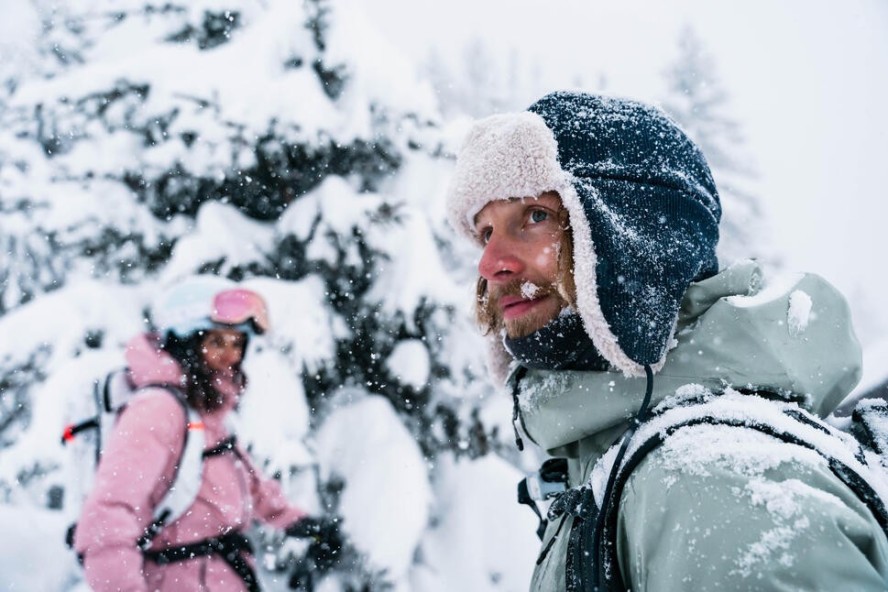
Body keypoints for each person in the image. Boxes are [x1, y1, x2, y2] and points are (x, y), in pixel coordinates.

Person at [445, 90, 888, 591]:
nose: (489, 263)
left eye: (534, 216)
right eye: (485, 233)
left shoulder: (713, 483)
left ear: (633, 234)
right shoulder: (628, 466)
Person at [73, 275, 341, 592]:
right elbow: (107, 516)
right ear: (185, 342)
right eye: (216, 342)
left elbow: (248, 484)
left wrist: (297, 522)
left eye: (237, 343)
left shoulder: (204, 412)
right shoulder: (158, 410)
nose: (230, 357)